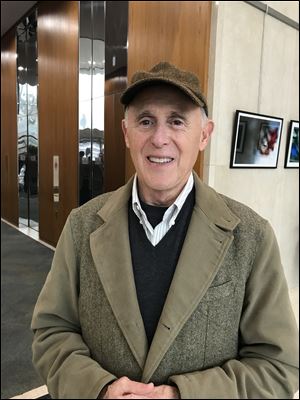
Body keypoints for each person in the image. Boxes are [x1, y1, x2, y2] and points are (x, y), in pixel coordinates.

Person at [31, 62, 299, 399]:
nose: (160, 139)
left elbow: (277, 366)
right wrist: (99, 390)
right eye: (146, 121)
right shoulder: (82, 226)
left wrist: (182, 396)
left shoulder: (251, 236)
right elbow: (52, 331)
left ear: (203, 134)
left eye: (177, 121)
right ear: (127, 133)